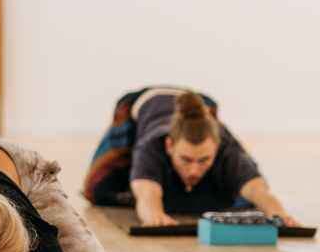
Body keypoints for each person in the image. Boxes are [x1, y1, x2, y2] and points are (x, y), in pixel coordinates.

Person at [83, 87, 298, 227]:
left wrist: (279, 214)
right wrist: (154, 216)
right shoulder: (152, 145)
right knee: (99, 190)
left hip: (202, 103)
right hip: (140, 103)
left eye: (204, 160)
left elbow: (257, 190)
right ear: (170, 146)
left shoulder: (226, 149)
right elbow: (147, 194)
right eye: (186, 160)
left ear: (216, 146)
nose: (194, 170)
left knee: (242, 198)